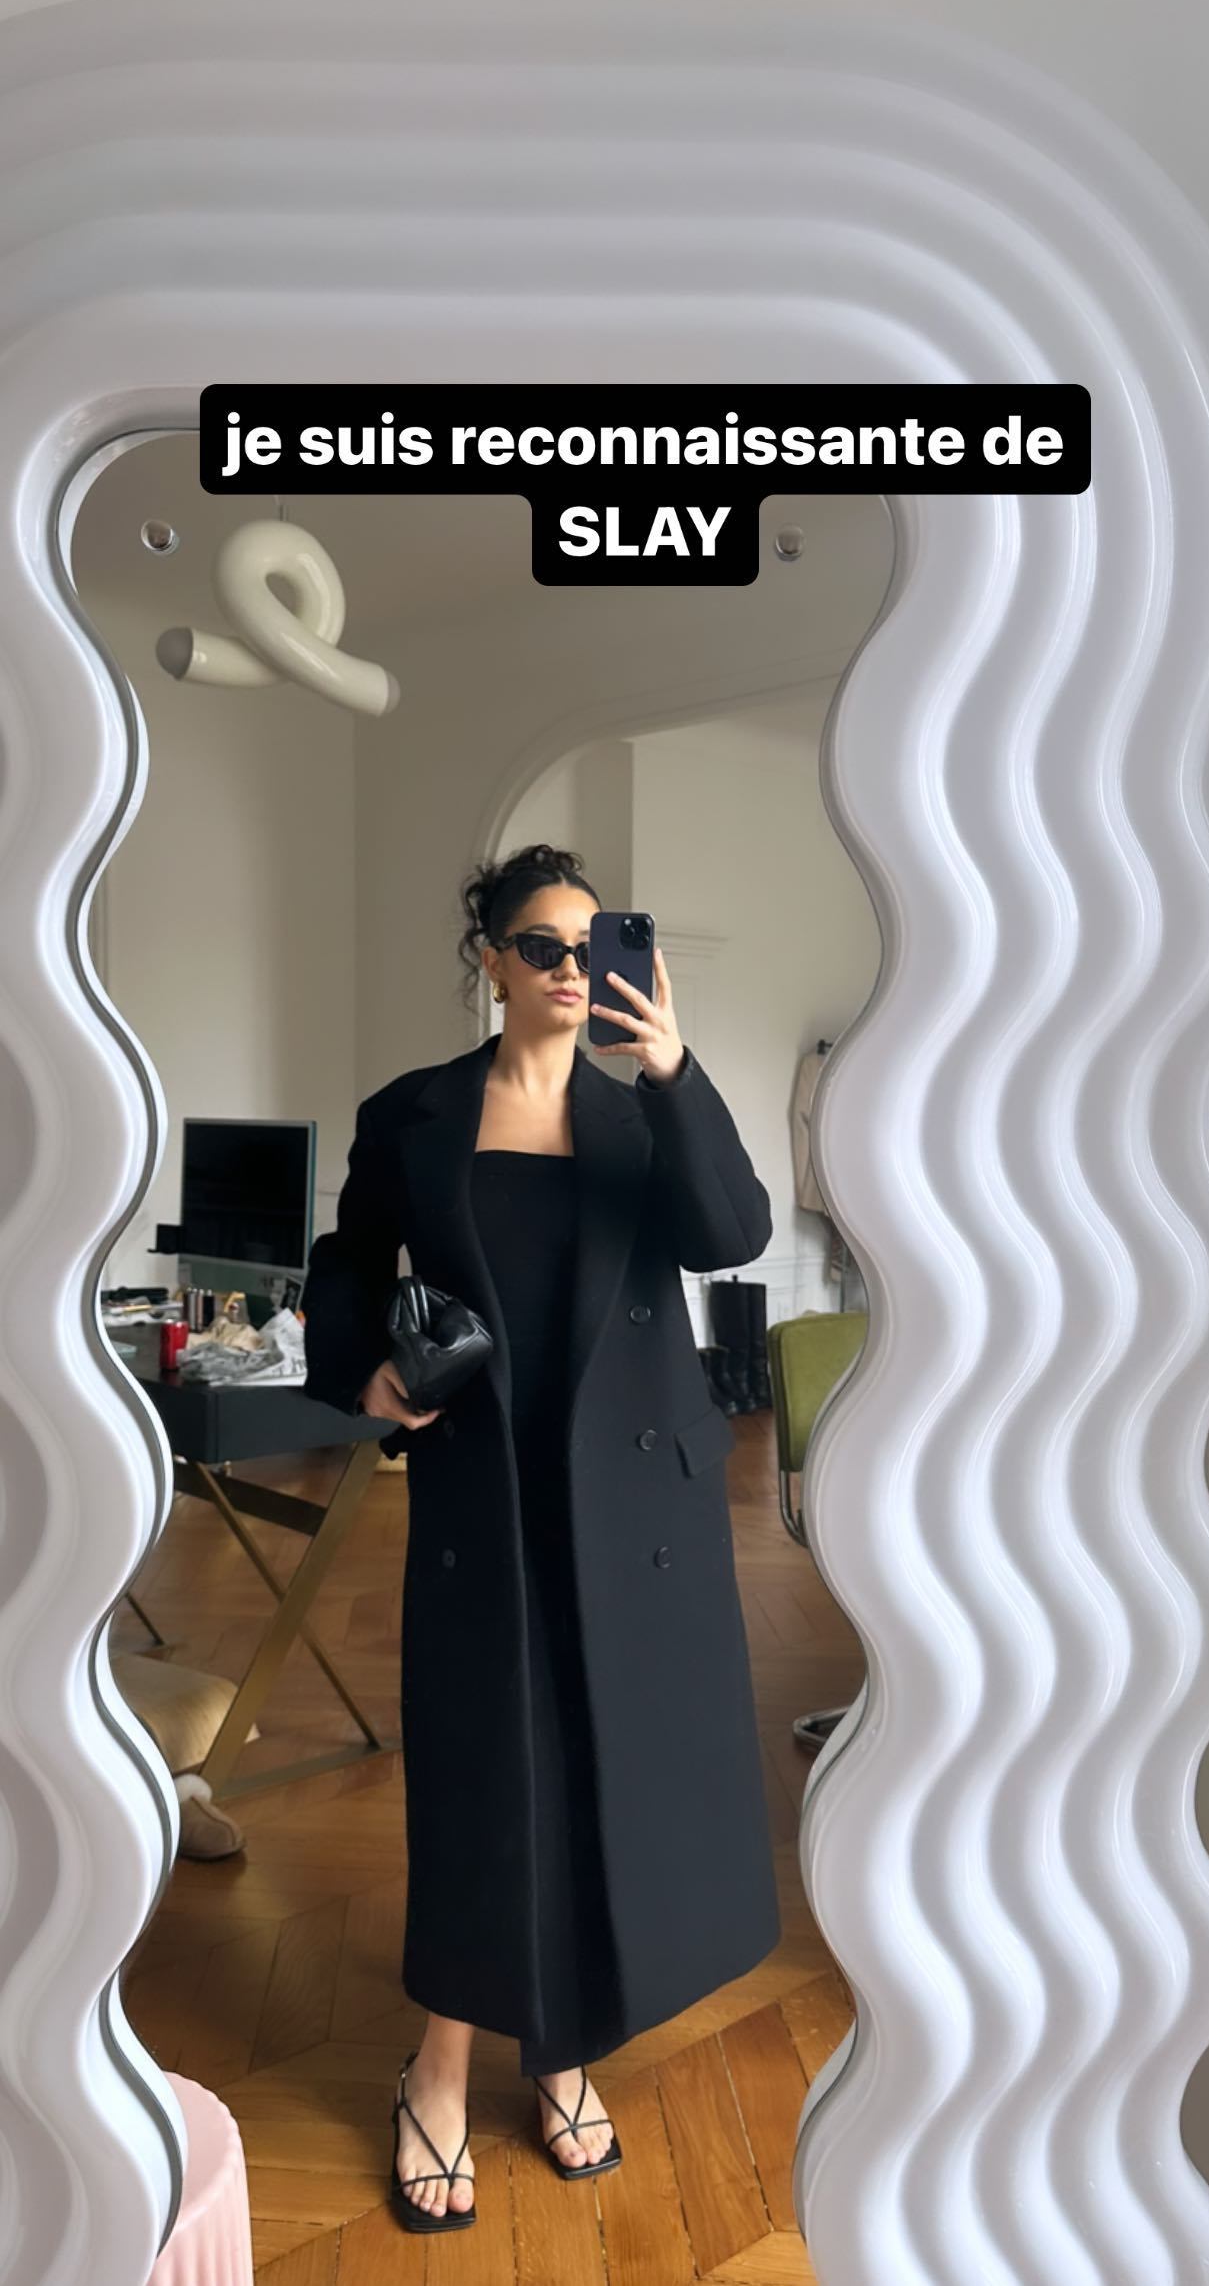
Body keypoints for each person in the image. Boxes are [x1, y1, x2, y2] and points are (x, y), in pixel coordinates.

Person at [301, 842, 780, 2234]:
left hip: (636, 1501)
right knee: (482, 1773)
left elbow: (732, 1232)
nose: (573, 969)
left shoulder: (645, 1112)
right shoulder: (414, 1113)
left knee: (603, 1763)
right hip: (484, 1488)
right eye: (543, 946)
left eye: (593, 945)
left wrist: (675, 1071)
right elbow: (347, 1262)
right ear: (493, 961)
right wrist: (361, 1375)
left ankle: (563, 2050)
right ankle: (441, 2066)